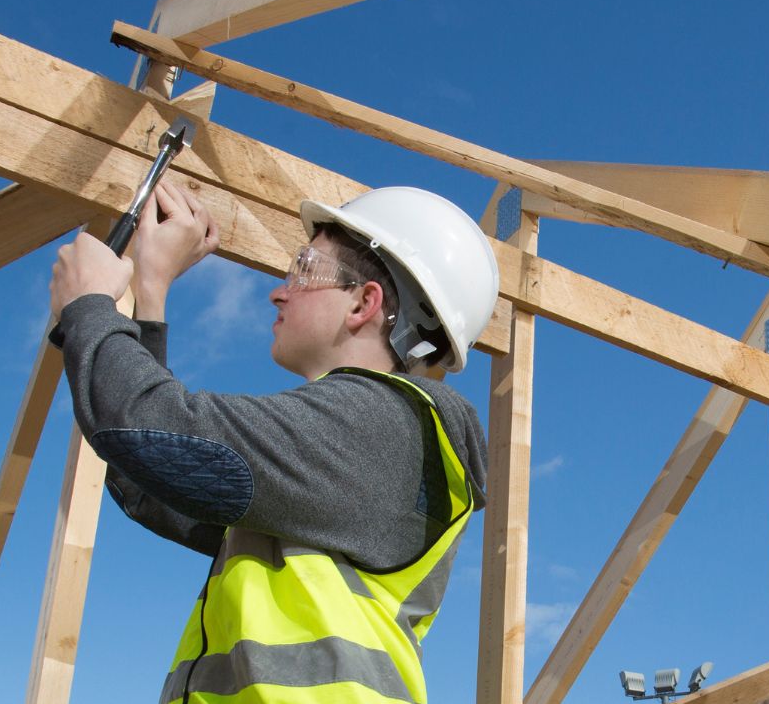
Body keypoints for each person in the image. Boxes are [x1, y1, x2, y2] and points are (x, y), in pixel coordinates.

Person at [48, 179, 501, 703]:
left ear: (364, 303)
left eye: (305, 269)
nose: (279, 290)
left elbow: (147, 433)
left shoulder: (378, 428)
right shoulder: (349, 458)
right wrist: (149, 296)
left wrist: (88, 304)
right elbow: (152, 482)